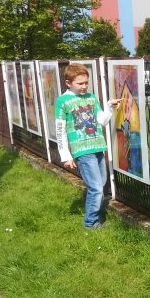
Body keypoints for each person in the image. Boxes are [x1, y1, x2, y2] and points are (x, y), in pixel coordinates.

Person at [55, 64, 120, 228]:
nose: (84, 86)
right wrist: (66, 155)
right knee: (96, 187)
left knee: (101, 184)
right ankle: (91, 223)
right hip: (82, 151)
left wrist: (109, 107)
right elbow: (60, 129)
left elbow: (102, 120)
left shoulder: (92, 98)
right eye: (80, 83)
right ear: (68, 83)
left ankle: (97, 215)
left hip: (98, 147)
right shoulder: (62, 101)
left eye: (86, 82)